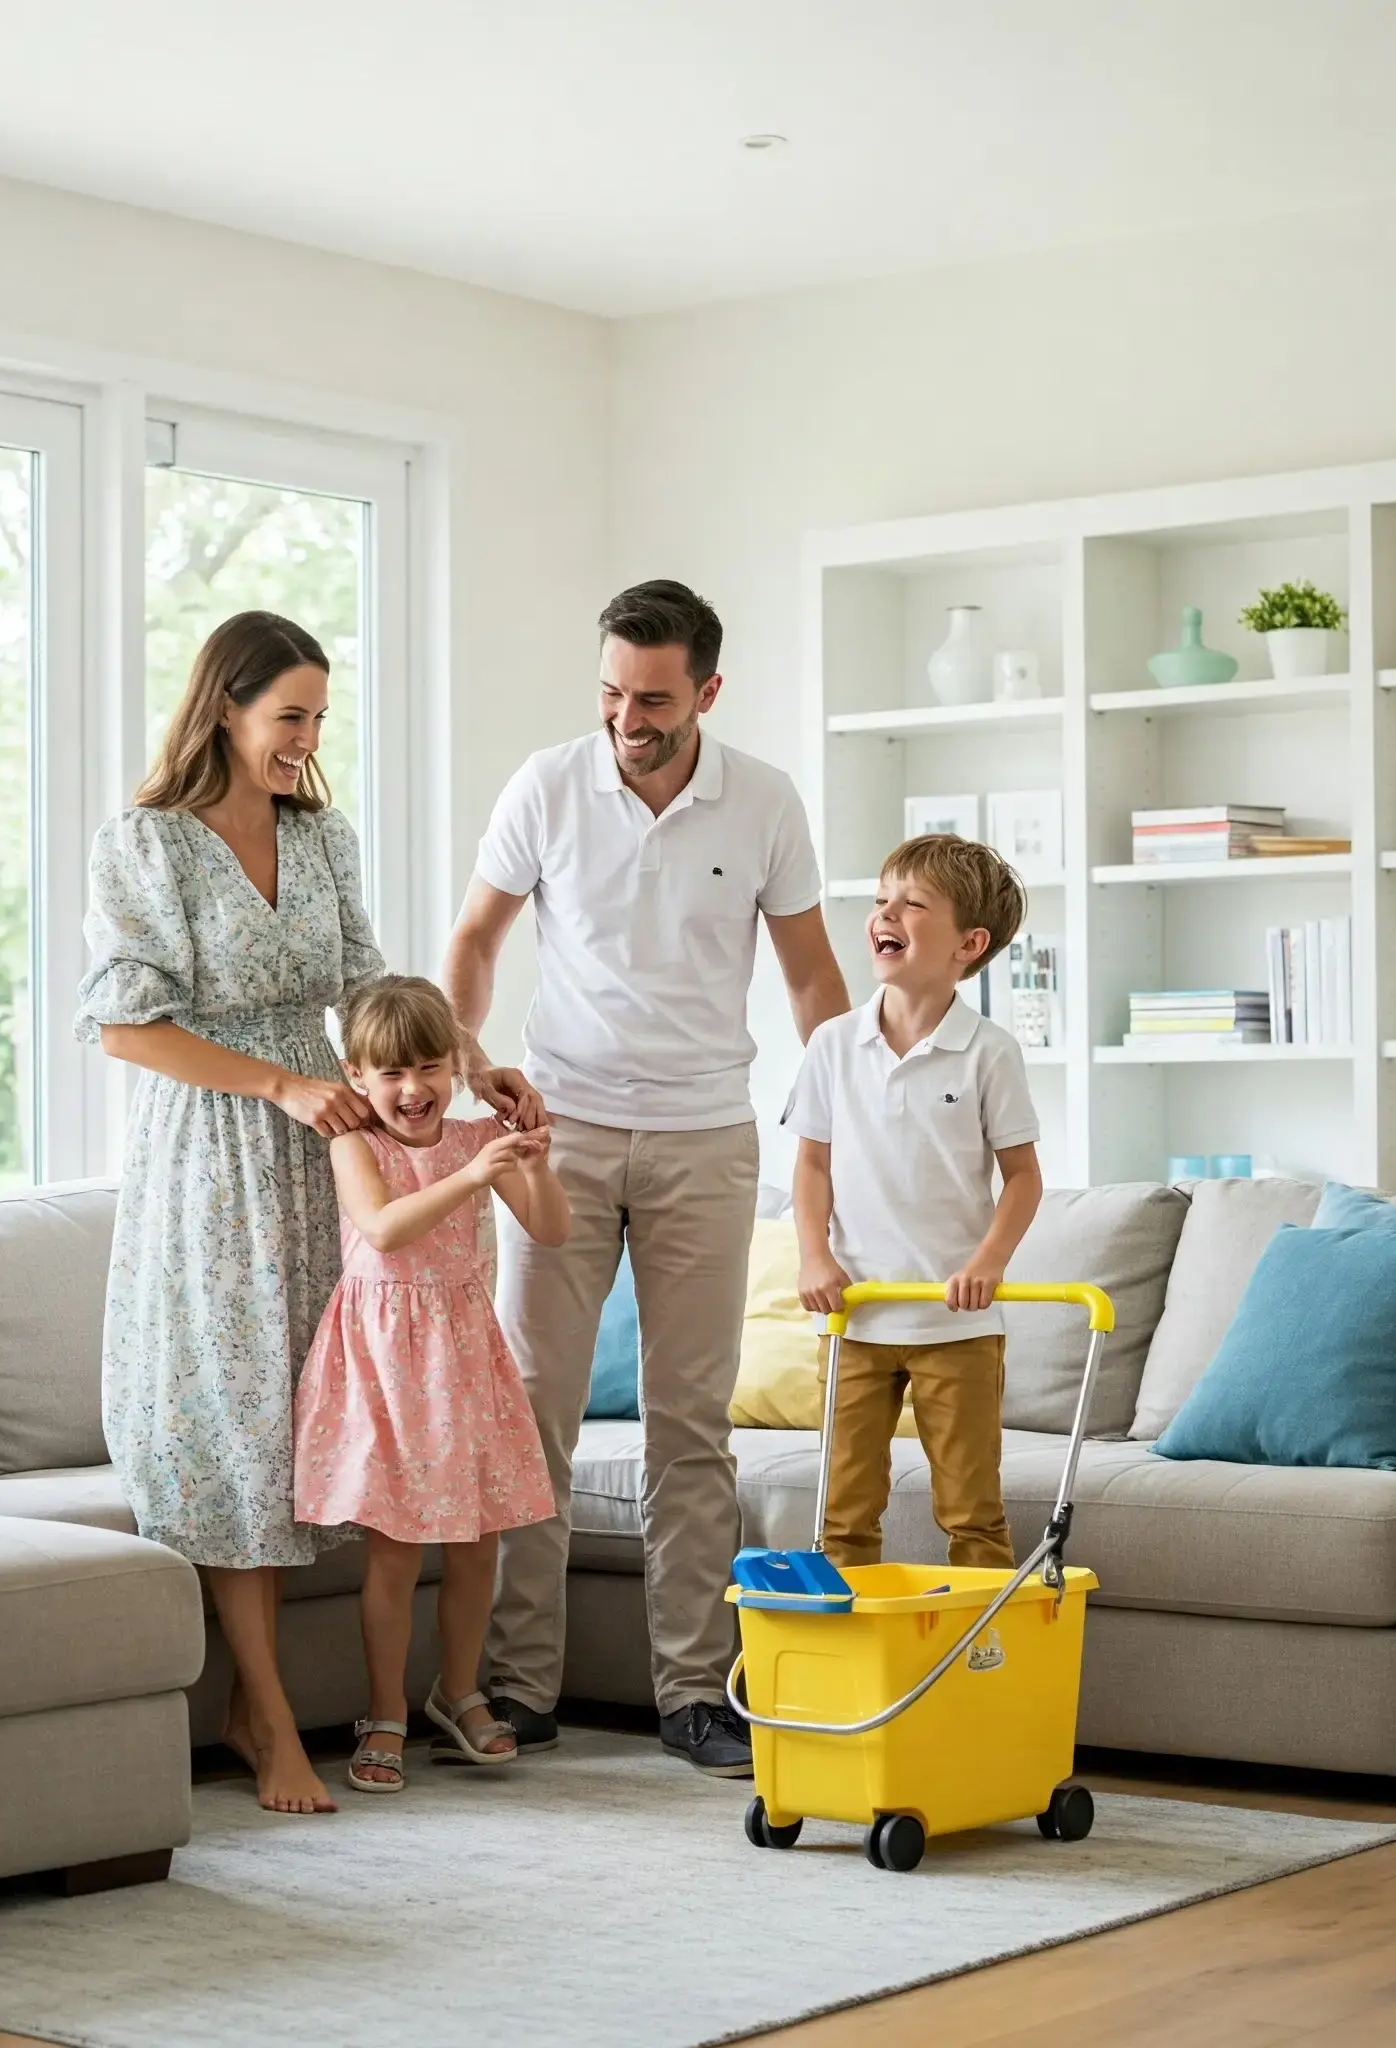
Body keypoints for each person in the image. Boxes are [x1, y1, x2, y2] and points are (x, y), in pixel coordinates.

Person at [76, 611, 538, 1816]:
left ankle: (261, 1701)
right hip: (220, 1149)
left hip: (334, 1145)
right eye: (290, 716)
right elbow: (124, 1023)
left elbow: (372, 990)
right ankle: (266, 1709)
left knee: (303, 1407)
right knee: (237, 1414)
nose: (306, 739)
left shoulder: (319, 833)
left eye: (319, 717)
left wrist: (472, 1064)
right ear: (222, 707)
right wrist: (282, 1081)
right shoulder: (149, 842)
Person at [443, 578, 850, 1777]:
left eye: (655, 698)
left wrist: (833, 1122)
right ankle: (518, 1686)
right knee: (532, 1416)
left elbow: (811, 976)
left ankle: (691, 1690)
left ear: (707, 693)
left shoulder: (763, 801)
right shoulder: (546, 784)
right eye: (613, 691)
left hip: (704, 1140)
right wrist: (472, 1060)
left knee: (688, 1423)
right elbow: (474, 937)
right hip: (556, 1134)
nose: (628, 715)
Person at [292, 976, 566, 1794]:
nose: (412, 1091)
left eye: (429, 1069)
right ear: (357, 1076)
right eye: (390, 1074)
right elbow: (382, 1229)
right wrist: (475, 1174)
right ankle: (384, 1713)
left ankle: (459, 1691)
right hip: (385, 1362)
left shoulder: (480, 1135)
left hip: (464, 1354)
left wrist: (536, 1161)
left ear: (455, 1065)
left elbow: (551, 1229)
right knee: (397, 1549)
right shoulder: (356, 1141)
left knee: (478, 1541)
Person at [787, 833, 1044, 1571]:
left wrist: (987, 1262)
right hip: (854, 1316)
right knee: (841, 1513)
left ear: (969, 942)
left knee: (971, 1512)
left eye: (911, 903)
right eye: (880, 900)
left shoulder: (989, 1050)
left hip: (956, 1325)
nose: (884, 914)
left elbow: (1024, 1177)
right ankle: (854, 1673)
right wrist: (813, 1254)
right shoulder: (832, 1045)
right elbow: (810, 1164)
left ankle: (985, 1666)